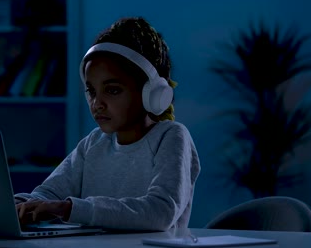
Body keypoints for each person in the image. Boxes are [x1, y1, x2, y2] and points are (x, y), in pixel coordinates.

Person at [14, 16, 201, 231]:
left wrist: (67, 209)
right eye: (91, 91)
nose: (97, 103)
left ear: (153, 94)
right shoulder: (93, 143)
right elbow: (47, 195)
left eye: (112, 90)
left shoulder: (171, 137)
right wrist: (18, 205)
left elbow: (160, 212)